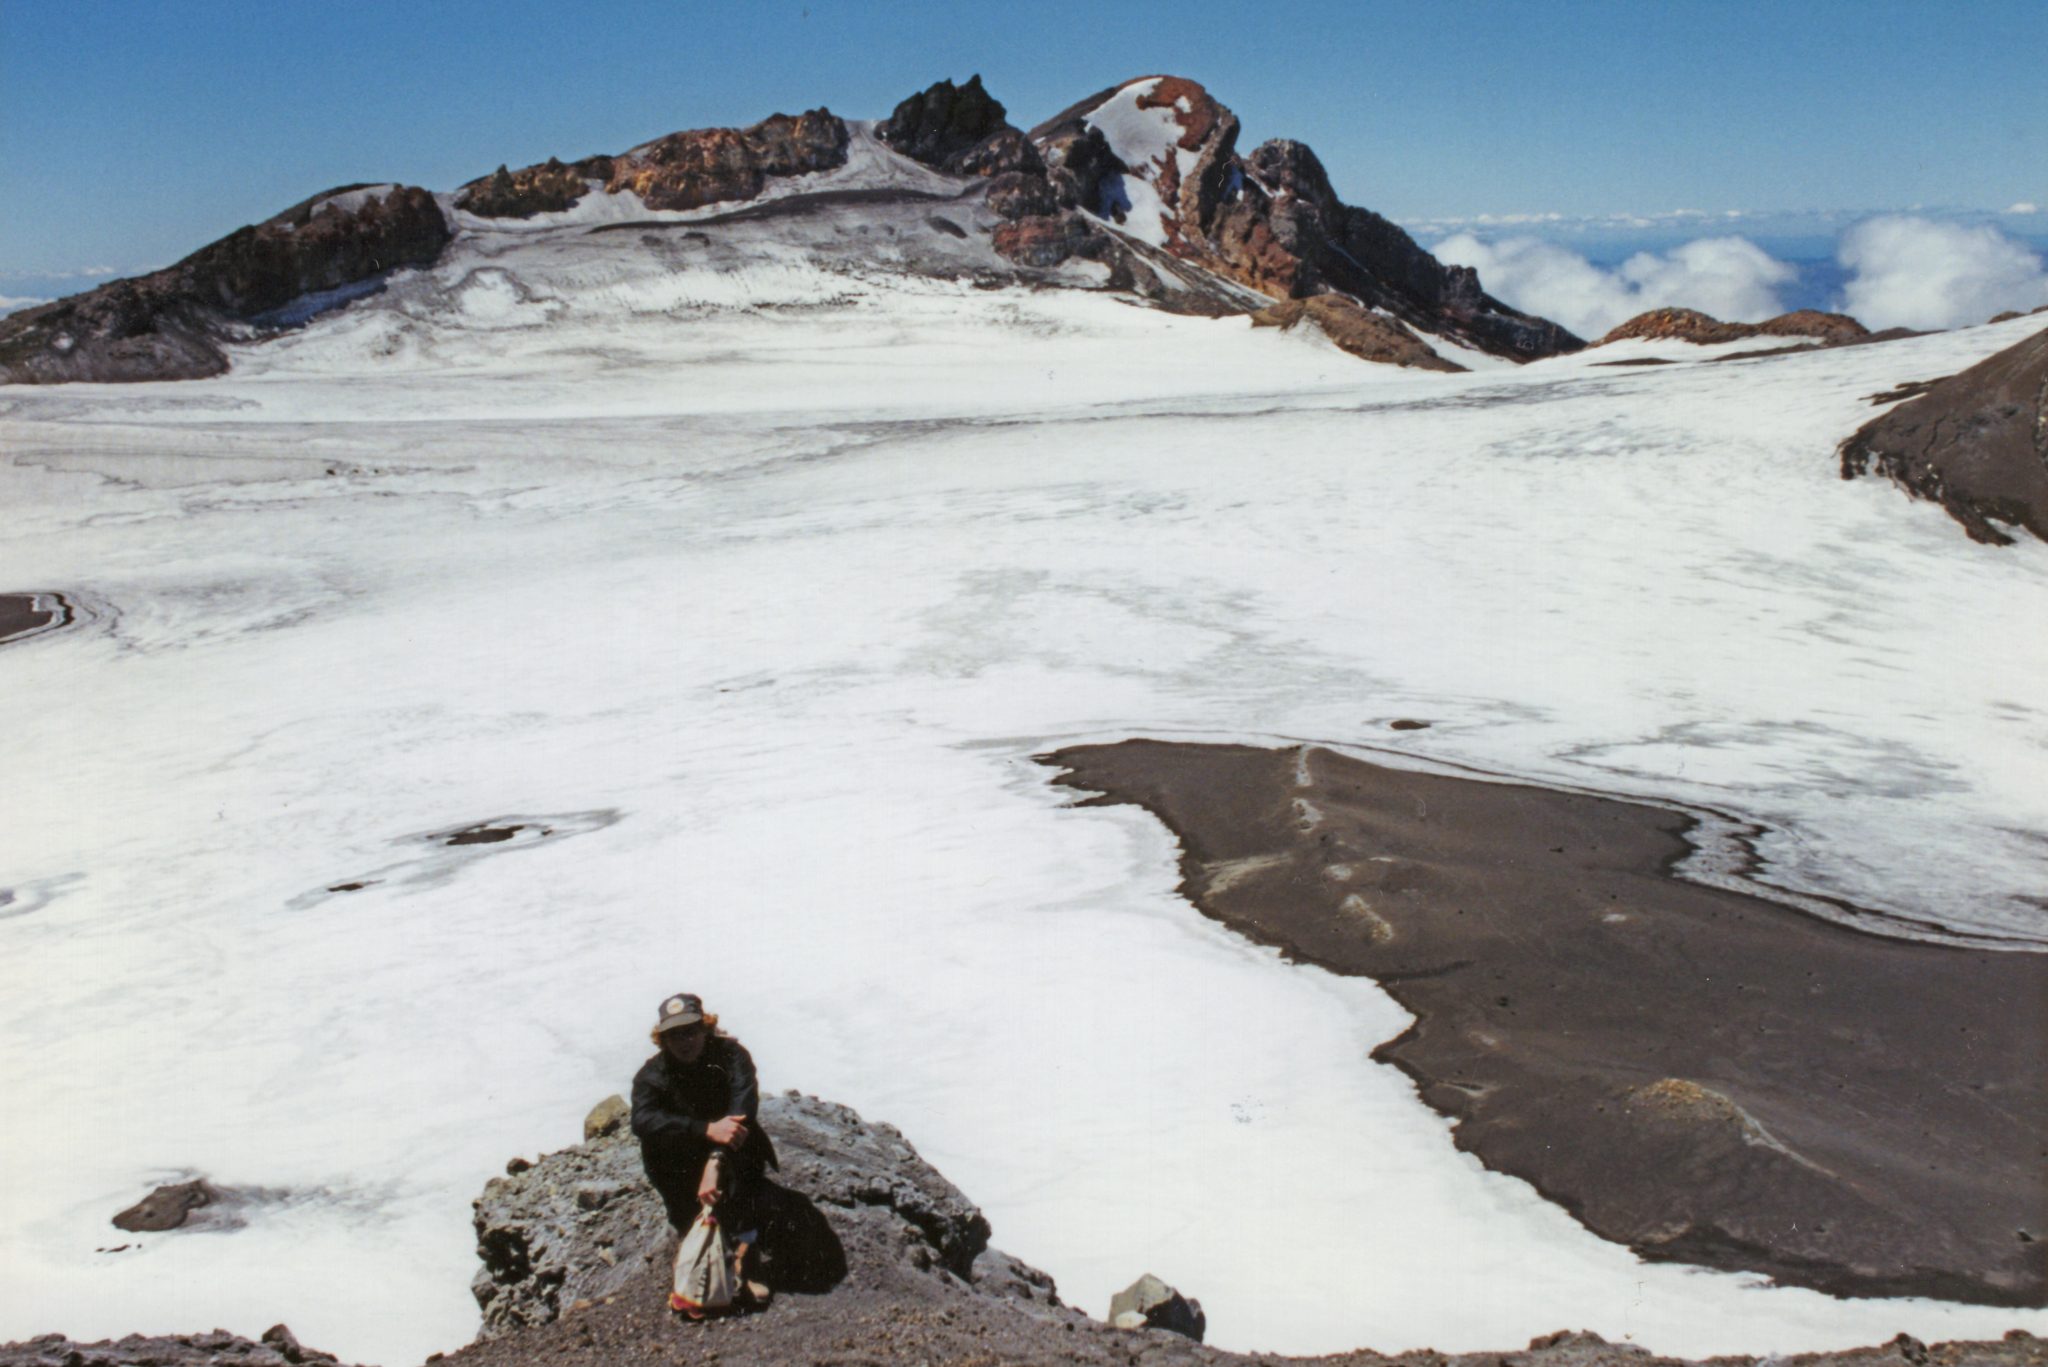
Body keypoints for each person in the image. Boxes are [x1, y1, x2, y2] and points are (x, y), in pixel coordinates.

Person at [631, 992, 778, 1306]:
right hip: (682, 1156)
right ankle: (693, 1237)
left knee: (744, 1154)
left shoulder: (731, 1056)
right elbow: (642, 1121)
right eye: (674, 1035)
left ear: (705, 1028)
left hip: (732, 1148)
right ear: (663, 1040)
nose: (684, 1041)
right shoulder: (652, 1075)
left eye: (690, 1031)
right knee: (661, 1152)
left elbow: (743, 1109)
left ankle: (746, 1253)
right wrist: (704, 1129)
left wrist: (716, 1161)